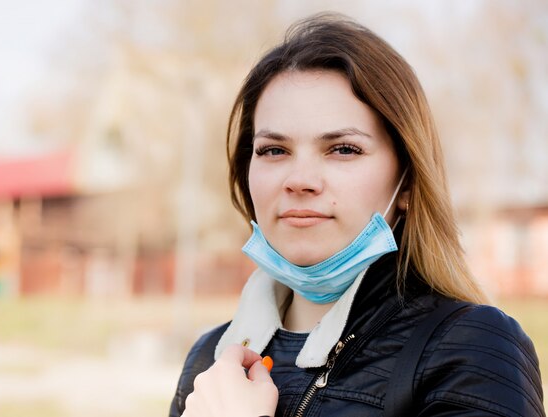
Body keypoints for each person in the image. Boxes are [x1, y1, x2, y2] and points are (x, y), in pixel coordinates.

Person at [169, 13, 545, 417]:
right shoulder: (210, 361)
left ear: (407, 183)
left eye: (343, 149)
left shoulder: (471, 350)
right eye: (273, 150)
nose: (300, 180)